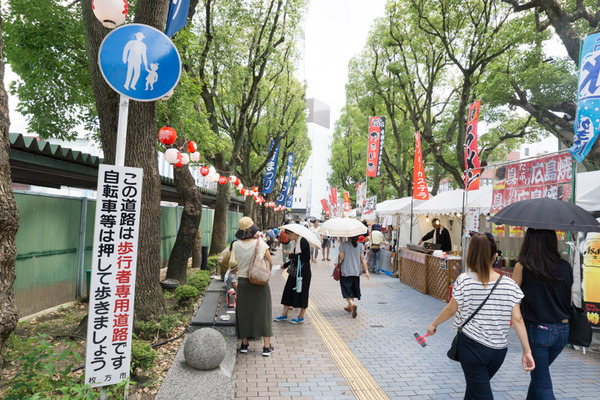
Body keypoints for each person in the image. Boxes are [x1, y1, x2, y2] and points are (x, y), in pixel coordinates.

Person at [427, 233, 535, 399]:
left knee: (479, 392)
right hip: (499, 350)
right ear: (495, 256)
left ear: (471, 255)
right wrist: (527, 350)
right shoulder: (509, 283)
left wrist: (434, 324)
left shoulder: (464, 280)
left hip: (472, 346)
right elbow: (518, 319)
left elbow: (451, 309)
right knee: (476, 389)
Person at [513, 228, 573, 400]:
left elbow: (513, 302)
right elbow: (567, 299)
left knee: (542, 384)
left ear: (529, 241)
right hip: (562, 331)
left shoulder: (523, 267)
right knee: (539, 377)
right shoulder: (565, 266)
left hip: (538, 332)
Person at [230, 217, 275, 356]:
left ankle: (244, 344)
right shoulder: (260, 244)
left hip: (243, 282)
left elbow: (232, 265)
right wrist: (265, 273)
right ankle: (266, 347)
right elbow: (271, 262)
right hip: (260, 283)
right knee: (264, 312)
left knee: (243, 312)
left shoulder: (236, 245)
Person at [274, 229, 312, 323]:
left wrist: (292, 256)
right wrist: (286, 264)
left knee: (303, 293)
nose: (288, 237)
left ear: (294, 233)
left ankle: (301, 316)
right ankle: (284, 314)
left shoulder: (303, 241)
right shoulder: (296, 242)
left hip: (303, 272)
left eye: (289, 235)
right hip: (295, 271)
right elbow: (296, 258)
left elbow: (306, 257)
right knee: (288, 291)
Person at [338, 236, 369, 318]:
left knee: (346, 290)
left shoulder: (343, 245)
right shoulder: (360, 245)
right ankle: (349, 306)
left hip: (346, 271)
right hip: (356, 271)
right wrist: (366, 271)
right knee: (353, 289)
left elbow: (342, 258)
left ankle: (352, 304)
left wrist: (339, 254)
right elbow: (363, 258)